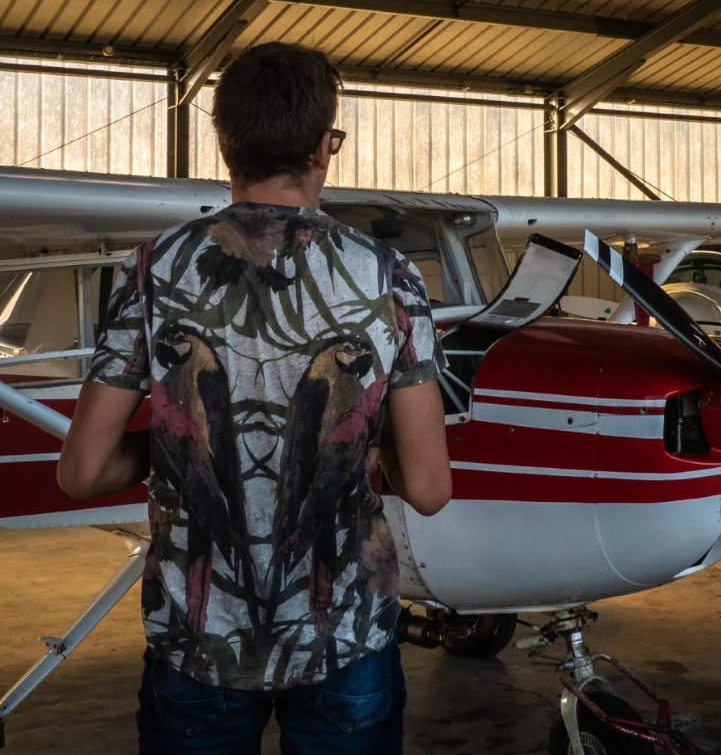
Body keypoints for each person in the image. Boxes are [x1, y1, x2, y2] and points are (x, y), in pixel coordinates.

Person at [56, 42, 452, 755]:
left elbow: (81, 472)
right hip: (342, 636)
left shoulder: (155, 268)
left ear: (224, 143)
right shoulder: (390, 277)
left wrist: (186, 442)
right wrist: (354, 438)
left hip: (197, 639)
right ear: (323, 146)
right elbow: (427, 488)